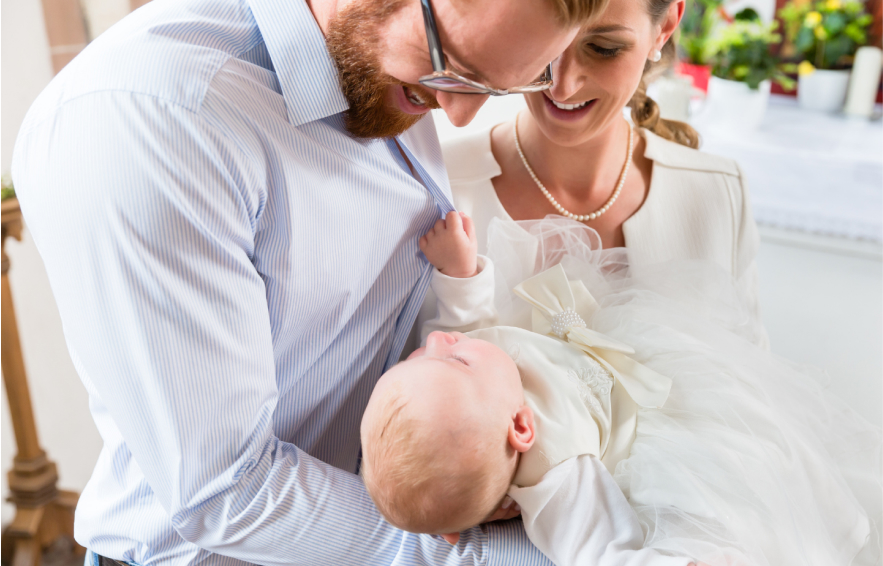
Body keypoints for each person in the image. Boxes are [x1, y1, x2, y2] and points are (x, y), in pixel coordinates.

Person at [10, 0, 604, 563]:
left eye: (499, 86)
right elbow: (228, 490)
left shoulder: (377, 67)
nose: (459, 113)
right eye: (455, 66)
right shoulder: (153, 118)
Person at [377, 211, 880, 566]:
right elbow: (598, 551)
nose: (441, 340)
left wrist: (459, 271)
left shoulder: (462, 391)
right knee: (763, 457)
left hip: (625, 351)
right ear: (523, 426)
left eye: (421, 356)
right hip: (653, 425)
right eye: (456, 357)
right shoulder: (556, 477)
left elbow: (466, 320)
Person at [426, 0, 767, 347]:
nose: (562, 86)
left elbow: (748, 384)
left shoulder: (718, 195)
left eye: (603, 49)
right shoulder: (438, 188)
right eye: (547, 39)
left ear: (663, 28)